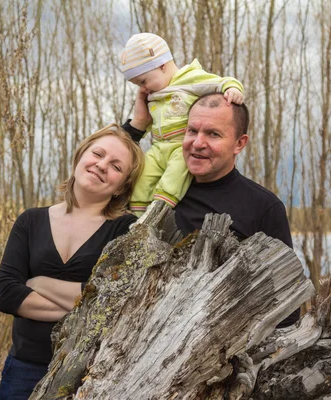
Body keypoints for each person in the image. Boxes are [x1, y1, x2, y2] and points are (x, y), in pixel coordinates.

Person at [0, 124, 144, 399]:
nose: (101, 165)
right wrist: (85, 311)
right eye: (97, 154)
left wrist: (36, 283)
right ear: (79, 157)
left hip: (89, 374)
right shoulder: (30, 220)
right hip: (23, 370)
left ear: (122, 186)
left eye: (116, 166)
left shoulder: (126, 231)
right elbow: (6, 295)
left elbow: (115, 304)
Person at [124, 93, 299, 326]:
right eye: (192, 131)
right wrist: (136, 126)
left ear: (239, 143)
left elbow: (287, 307)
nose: (197, 143)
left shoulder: (263, 207)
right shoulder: (152, 185)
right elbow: (102, 164)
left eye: (213, 134)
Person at [120, 32, 244, 213]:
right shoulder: (153, 95)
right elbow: (143, 127)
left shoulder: (189, 78)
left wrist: (232, 89)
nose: (143, 89)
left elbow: (221, 82)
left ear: (161, 65)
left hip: (181, 147)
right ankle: (137, 216)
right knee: (142, 178)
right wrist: (138, 122)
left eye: (143, 81)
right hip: (158, 148)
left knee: (172, 179)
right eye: (138, 85)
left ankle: (158, 211)